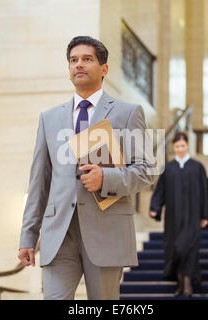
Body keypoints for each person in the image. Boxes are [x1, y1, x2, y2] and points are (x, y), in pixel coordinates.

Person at [18, 36, 156, 300]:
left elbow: (147, 169)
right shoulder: (49, 118)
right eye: (73, 60)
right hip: (59, 234)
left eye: (87, 59)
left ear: (104, 69)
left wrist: (108, 177)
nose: (78, 65)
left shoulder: (128, 113)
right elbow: (39, 182)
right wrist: (28, 235)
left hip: (107, 232)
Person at [149, 132, 208, 297]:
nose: (180, 149)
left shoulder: (197, 167)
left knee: (189, 249)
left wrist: (204, 216)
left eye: (182, 145)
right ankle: (181, 284)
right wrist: (155, 207)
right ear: (173, 147)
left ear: (187, 145)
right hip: (173, 219)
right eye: (177, 146)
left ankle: (187, 286)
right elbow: (160, 191)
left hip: (192, 217)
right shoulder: (168, 168)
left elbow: (204, 193)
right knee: (175, 250)